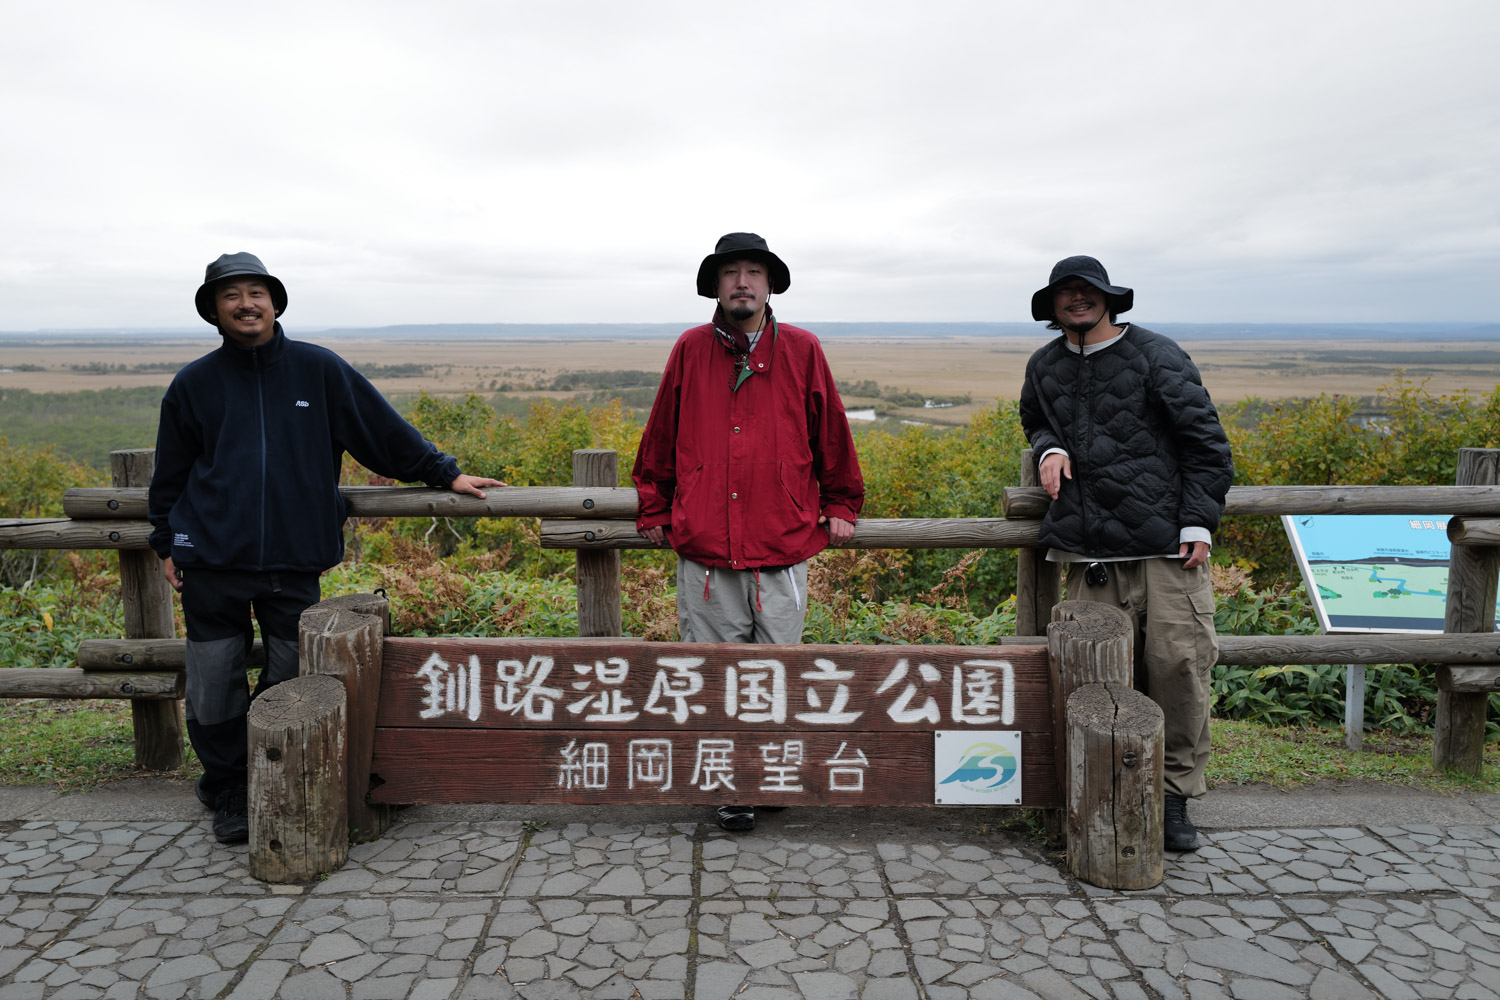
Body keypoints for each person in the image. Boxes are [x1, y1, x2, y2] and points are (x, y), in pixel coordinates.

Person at [148, 252, 503, 844]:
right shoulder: (194, 383)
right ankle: (228, 786)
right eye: (231, 295)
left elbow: (382, 432)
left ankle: (273, 771)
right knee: (213, 682)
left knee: (291, 678)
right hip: (210, 560)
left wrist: (445, 473)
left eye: (256, 292)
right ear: (214, 310)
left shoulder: (318, 370)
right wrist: (166, 540)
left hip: (295, 558)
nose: (246, 304)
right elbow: (171, 473)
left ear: (275, 303)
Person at [632, 233, 865, 832]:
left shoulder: (802, 349)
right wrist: (655, 506)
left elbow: (831, 431)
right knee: (716, 673)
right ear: (715, 286)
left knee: (777, 672)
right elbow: (661, 435)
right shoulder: (690, 349)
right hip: (707, 547)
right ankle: (731, 784)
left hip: (780, 543)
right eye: (731, 272)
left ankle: (770, 774)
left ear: (769, 286)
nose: (742, 282)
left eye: (754, 273)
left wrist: (842, 500)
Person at [1018, 255, 1232, 852]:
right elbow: (1034, 418)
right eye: (1066, 292)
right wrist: (1049, 447)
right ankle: (1103, 795)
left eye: (1087, 290)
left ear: (1109, 298)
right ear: (1052, 305)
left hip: (1168, 551)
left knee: (1178, 670)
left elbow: (1206, 444)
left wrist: (1198, 520)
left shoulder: (1156, 355)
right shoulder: (1044, 365)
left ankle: (1172, 797)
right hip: (1090, 556)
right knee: (1095, 682)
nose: (1077, 299)